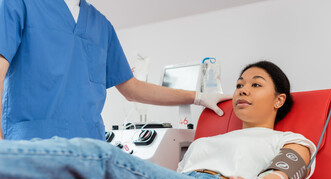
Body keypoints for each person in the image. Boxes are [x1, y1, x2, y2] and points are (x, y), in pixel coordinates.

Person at [0, 61, 316, 179]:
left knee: (101, 158)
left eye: (256, 84)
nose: (242, 90)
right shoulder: (219, 134)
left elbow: (279, 175)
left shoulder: (292, 139)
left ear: (279, 100)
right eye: (239, 84)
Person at [0, 0, 230, 140]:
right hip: (31, 147)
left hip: (91, 150)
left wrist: (198, 97)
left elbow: (132, 89)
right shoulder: (18, 3)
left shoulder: (101, 25)